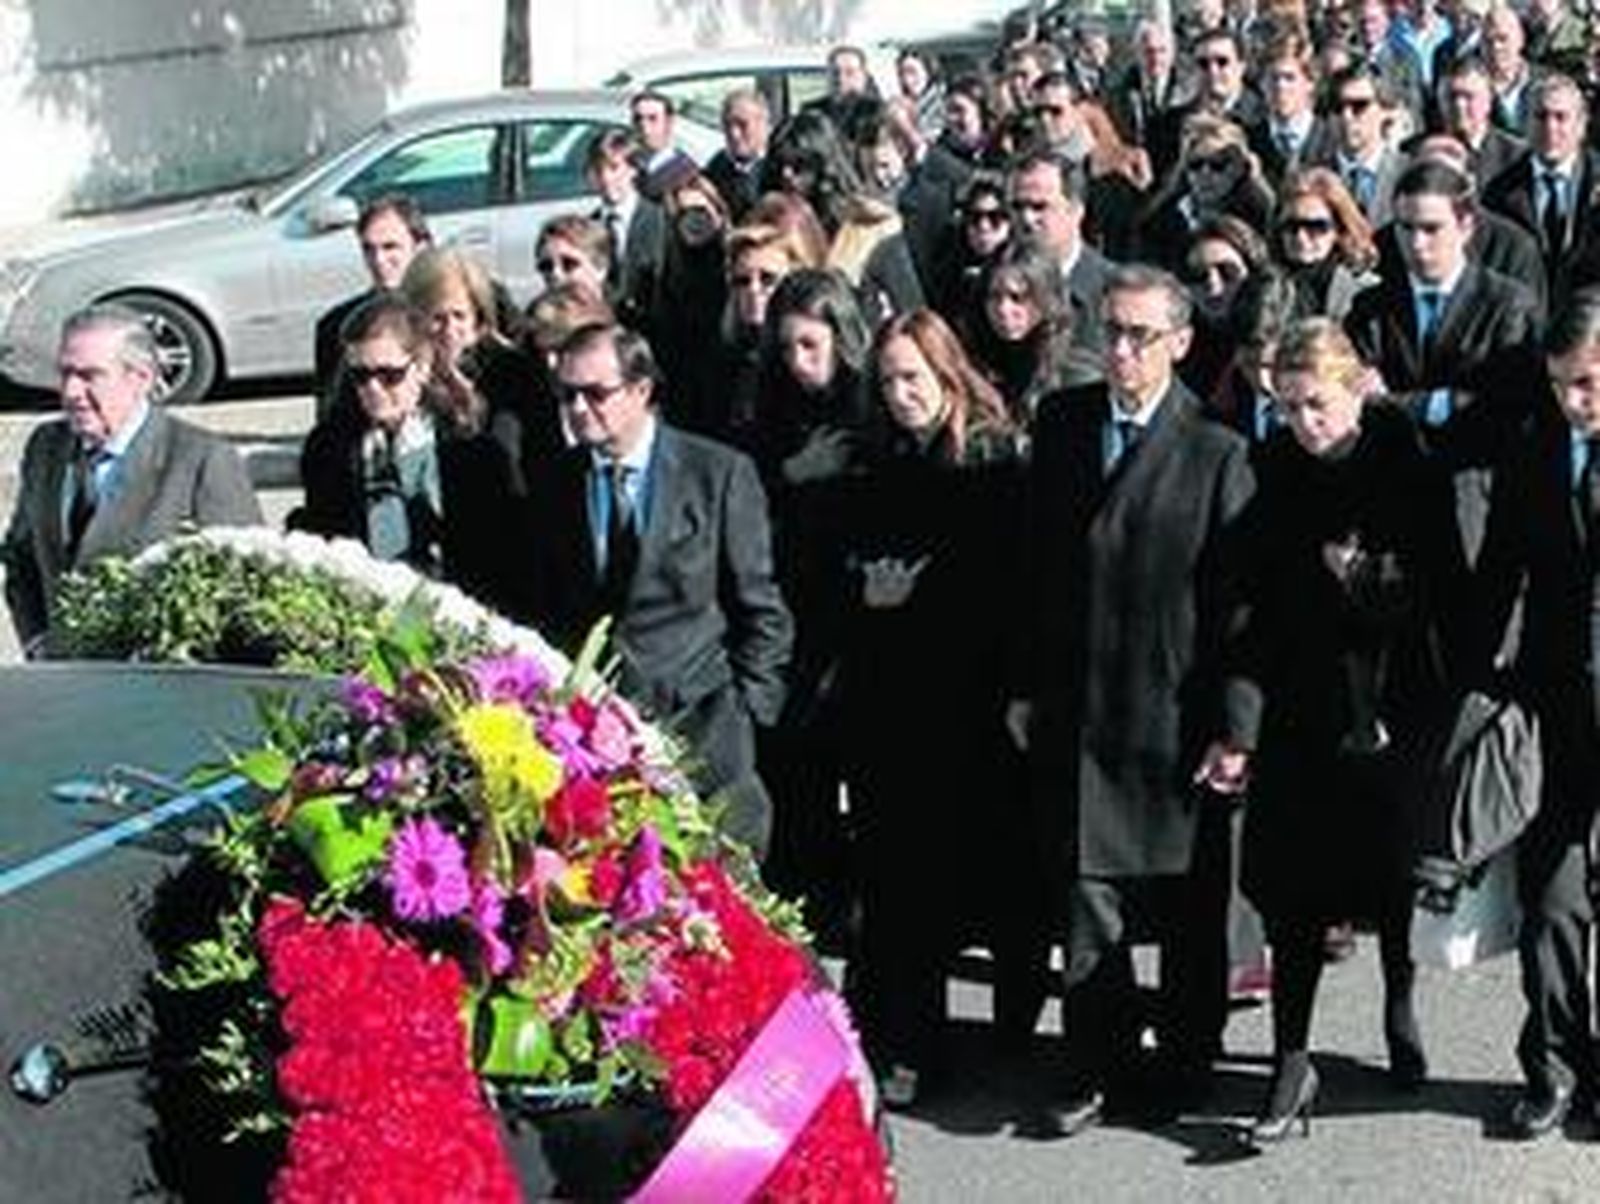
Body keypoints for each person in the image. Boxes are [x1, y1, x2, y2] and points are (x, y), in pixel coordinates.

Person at [1008, 265, 1256, 1132]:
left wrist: (1236, 727)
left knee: (1188, 906)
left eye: (1140, 336)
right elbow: (1034, 567)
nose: (1119, 350)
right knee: (1085, 894)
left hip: (1173, 712)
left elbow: (1237, 605)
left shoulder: (1217, 450)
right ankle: (1093, 1062)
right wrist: (1025, 690)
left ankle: (1185, 1064)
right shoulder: (1065, 423)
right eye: (1110, 330)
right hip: (1081, 708)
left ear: (1181, 343)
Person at [1237, 318, 1463, 1144]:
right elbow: (1249, 588)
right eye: (1289, 406)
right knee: (1297, 895)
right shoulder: (1271, 469)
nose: (1303, 422)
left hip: (1392, 705)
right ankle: (1289, 1061)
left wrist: (1366, 576)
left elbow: (1441, 583)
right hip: (1304, 709)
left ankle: (1399, 1001)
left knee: (1389, 878)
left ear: (1356, 391)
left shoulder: (1403, 461)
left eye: (1317, 405)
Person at [519, 323, 794, 855]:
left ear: (641, 390)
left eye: (596, 393)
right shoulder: (556, 480)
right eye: (567, 394)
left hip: (707, 726)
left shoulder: (715, 473)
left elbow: (761, 610)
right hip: (600, 735)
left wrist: (748, 712)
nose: (578, 408)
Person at [844, 308, 1024, 1107]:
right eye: (888, 383)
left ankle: (932, 1044)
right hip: (890, 703)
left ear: (948, 375)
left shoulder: (988, 459)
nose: (901, 395)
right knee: (892, 884)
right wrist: (872, 593)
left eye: (913, 378)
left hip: (967, 704)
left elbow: (1000, 581)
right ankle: (892, 1036)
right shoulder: (882, 459)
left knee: (941, 885)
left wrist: (913, 596)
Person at [1472, 287, 1600, 1139]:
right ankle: (1554, 1065)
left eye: (1590, 383)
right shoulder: (1532, 448)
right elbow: (1499, 574)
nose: (1575, 402)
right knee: (1551, 900)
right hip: (1554, 704)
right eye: (1561, 384)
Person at [3, 304, 261, 652]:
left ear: (140, 378)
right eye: (65, 373)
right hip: (66, 680)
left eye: (89, 375)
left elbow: (245, 589)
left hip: (157, 689)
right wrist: (37, 641)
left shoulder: (201, 460)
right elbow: (22, 557)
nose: (71, 392)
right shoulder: (47, 447)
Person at [749, 269, 875, 955]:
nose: (799, 364)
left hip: (862, 617)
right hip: (796, 614)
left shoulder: (866, 415)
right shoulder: (767, 421)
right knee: (805, 785)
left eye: (812, 346)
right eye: (787, 348)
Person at [1345, 157, 1540, 566]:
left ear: (1466, 227)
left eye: (1432, 229)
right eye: (1406, 228)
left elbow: (1502, 410)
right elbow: (1353, 403)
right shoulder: (1370, 309)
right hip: (1391, 517)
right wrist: (1442, 402)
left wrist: (1394, 401)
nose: (1417, 244)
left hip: (1477, 516)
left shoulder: (1509, 305)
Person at [762, 110, 925, 324]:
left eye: (799, 165)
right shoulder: (765, 225)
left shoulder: (870, 227)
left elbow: (910, 310)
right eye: (779, 166)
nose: (788, 176)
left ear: (822, 166)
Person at [1482, 73, 1600, 306]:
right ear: (1525, 123)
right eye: (1540, 116)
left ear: (1581, 125)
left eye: (1561, 117)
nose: (1550, 128)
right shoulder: (1499, 192)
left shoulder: (1596, 179)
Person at [313, 193, 432, 422]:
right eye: (369, 249)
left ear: (420, 247)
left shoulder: (443, 319)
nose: (378, 260)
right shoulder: (336, 326)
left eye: (391, 247)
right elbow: (328, 418)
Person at [969, 242, 1101, 429]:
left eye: (1017, 298)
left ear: (1045, 299)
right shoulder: (979, 359)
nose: (1003, 310)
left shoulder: (1075, 375)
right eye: (994, 296)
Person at [1008, 149, 1113, 358]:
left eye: (1040, 206)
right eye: (1018, 207)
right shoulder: (992, 286)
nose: (1027, 219)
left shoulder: (1111, 289)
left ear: (1075, 211)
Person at [1272, 168, 1380, 321]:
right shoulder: (1262, 288)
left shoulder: (1365, 292)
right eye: (1291, 226)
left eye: (1316, 227)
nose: (1301, 237)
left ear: (1340, 229)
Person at [585, 127, 667, 326]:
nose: (606, 179)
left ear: (633, 170)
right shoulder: (589, 226)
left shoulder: (660, 219)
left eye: (614, 168)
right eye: (598, 169)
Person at [1313, 64, 1407, 228]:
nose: (1346, 116)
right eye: (1337, 106)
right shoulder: (1312, 177)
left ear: (1386, 110)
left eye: (1359, 106)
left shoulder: (1409, 173)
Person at [1248, 32, 1338, 185]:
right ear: (1262, 84)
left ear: (1310, 83)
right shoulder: (1250, 141)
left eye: (1289, 78)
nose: (1280, 87)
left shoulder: (1333, 139)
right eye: (1273, 78)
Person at [704, 89, 769, 223]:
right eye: (728, 125)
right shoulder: (716, 169)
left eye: (742, 124)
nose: (734, 134)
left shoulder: (779, 166)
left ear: (762, 124)